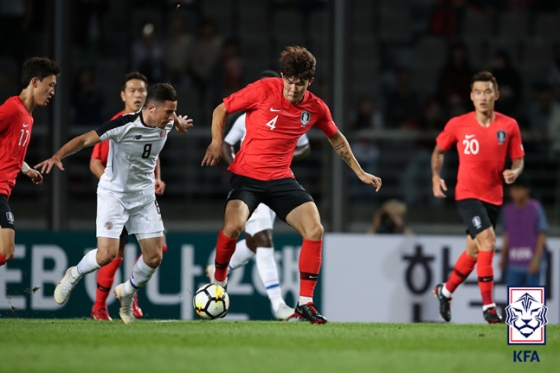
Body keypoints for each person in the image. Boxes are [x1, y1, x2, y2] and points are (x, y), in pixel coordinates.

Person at [201, 46, 382, 324]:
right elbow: (221, 109)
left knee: (315, 229)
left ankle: (305, 303)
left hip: (280, 179)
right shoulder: (264, 89)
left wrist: (359, 172)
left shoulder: (316, 107)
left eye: (300, 83)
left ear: (309, 81)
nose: (293, 89)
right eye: (290, 81)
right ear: (283, 76)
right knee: (233, 227)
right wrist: (216, 141)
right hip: (247, 176)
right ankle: (220, 283)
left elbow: (337, 138)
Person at [35, 83, 193, 324]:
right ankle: (73, 274)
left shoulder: (167, 123)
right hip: (114, 195)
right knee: (106, 255)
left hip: (143, 197)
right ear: (151, 108)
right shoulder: (123, 125)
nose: (171, 118)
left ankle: (127, 292)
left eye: (173, 112)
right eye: (168, 112)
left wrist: (178, 122)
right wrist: (58, 156)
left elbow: (174, 123)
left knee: (154, 257)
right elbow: (84, 140)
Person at [207, 70, 309, 321]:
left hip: (277, 182)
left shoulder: (294, 115)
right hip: (251, 182)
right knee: (263, 239)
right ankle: (277, 305)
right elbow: (229, 143)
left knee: (254, 242)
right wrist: (239, 166)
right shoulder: (246, 117)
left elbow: (305, 146)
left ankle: (221, 269)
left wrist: (279, 156)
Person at [431, 71, 525, 324]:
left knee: (474, 251)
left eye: (487, 91)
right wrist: (435, 176)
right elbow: (439, 150)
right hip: (467, 195)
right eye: (477, 92)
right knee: (489, 243)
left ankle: (445, 291)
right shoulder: (458, 124)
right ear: (471, 96)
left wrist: (514, 172)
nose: (482, 97)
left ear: (496, 94)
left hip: (493, 197)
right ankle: (489, 308)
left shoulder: (509, 126)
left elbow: (518, 159)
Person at [89, 72, 168, 321]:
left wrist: (157, 178)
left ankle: (129, 293)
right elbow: (94, 162)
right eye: (132, 90)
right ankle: (100, 307)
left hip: (142, 195)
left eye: (142, 90)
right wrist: (114, 189)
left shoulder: (154, 122)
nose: (138, 95)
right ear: (123, 95)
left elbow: (152, 155)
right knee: (115, 254)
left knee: (158, 247)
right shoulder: (118, 124)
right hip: (119, 198)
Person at [0, 57, 59, 267]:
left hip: (4, 191)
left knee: (6, 252)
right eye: (50, 85)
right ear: (35, 82)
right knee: (6, 250)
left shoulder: (28, 116)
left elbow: (10, 150)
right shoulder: (13, 109)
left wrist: (26, 169)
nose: (52, 91)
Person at [499, 176, 548, 287]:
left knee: (533, 301)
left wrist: (536, 260)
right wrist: (502, 257)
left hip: (531, 263)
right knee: (514, 301)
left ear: (527, 190)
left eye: (519, 189)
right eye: (513, 189)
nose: (515, 193)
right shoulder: (507, 210)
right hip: (514, 263)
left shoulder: (535, 208)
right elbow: (506, 235)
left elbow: (541, 236)